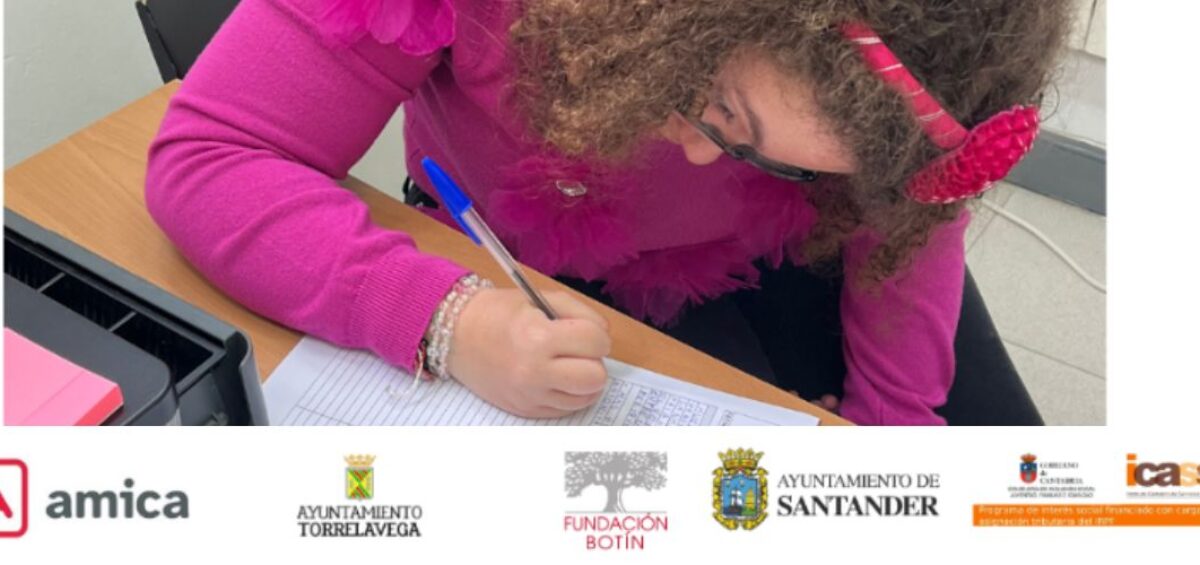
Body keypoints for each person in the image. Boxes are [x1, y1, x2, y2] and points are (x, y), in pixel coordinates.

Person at [145, 0, 1071, 425]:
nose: (704, 151)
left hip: (769, 248)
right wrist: (444, 316)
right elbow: (209, 159)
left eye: (751, 144)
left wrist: (894, 419)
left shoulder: (875, 101)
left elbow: (905, 223)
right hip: (525, 264)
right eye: (720, 108)